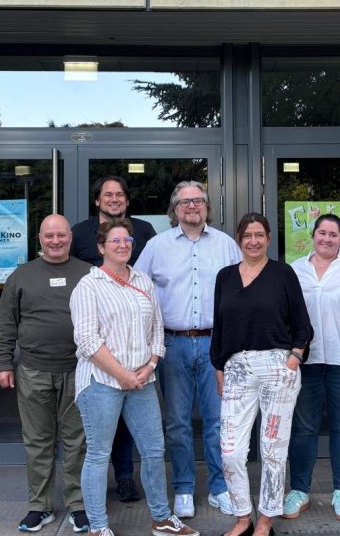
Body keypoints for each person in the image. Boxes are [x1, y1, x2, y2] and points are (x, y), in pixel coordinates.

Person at [70, 218, 199, 536]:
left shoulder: (143, 281)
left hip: (142, 381)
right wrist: (122, 374)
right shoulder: (89, 286)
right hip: (101, 383)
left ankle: (162, 519)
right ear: (101, 247)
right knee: (99, 454)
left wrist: (151, 365)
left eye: (127, 240)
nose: (122, 245)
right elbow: (87, 341)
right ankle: (98, 527)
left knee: (154, 451)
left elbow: (157, 327)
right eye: (114, 241)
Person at [134, 181, 241, 518]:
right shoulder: (156, 246)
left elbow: (244, 291)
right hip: (173, 344)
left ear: (207, 207)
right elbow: (135, 290)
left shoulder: (226, 245)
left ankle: (219, 487)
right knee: (178, 422)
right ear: (174, 209)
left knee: (218, 421)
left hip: (216, 344)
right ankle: (182, 488)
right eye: (185, 202)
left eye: (198, 201)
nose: (192, 206)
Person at [211, 213, 312, 536]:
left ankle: (266, 519)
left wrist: (294, 359)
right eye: (247, 235)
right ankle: (243, 515)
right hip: (236, 369)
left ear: (268, 238)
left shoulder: (283, 274)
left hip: (277, 369)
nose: (253, 241)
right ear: (239, 240)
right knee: (230, 451)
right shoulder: (225, 277)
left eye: (259, 234)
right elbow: (220, 326)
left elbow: (302, 324)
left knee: (272, 450)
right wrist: (218, 366)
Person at [0, 215, 91, 533]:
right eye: (49, 235)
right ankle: (41, 506)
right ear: (39, 238)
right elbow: (7, 323)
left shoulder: (88, 274)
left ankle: (78, 506)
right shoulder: (21, 276)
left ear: (70, 238)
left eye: (61, 235)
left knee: (78, 442)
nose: (55, 240)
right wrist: (3, 363)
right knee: (38, 442)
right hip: (34, 371)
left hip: (79, 371)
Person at [71, 174, 159, 504]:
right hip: (92, 341)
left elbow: (151, 277)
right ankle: (87, 499)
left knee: (130, 424)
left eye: (119, 194)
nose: (114, 199)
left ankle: (124, 477)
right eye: (107, 195)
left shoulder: (145, 231)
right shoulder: (79, 232)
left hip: (135, 343)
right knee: (96, 427)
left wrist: (151, 357)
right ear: (97, 200)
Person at [283, 213, 340, 521]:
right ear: (314, 235)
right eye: (322, 233)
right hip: (307, 360)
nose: (327, 238)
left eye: (333, 234)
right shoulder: (295, 270)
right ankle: (300, 490)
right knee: (303, 428)